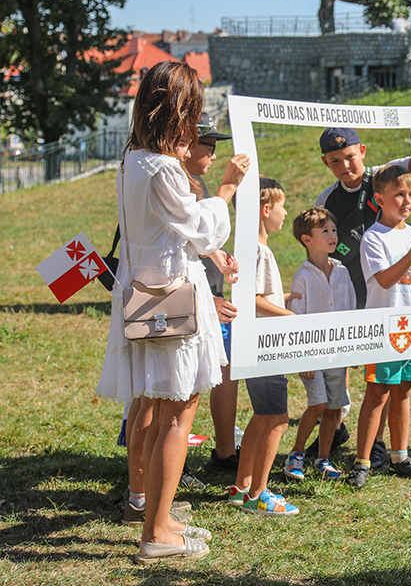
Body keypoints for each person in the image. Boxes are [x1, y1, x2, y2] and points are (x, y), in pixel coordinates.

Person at [96, 60, 244, 563]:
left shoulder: (133, 159)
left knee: (162, 411)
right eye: (192, 110)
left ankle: (158, 517)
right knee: (177, 414)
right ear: (179, 110)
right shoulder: (161, 168)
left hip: (146, 295)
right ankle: (157, 532)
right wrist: (224, 189)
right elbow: (201, 232)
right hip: (171, 299)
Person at [312, 113, 411, 466]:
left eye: (350, 157)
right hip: (355, 284)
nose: (345, 165)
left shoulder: (385, 174)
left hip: (393, 292)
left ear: (363, 152)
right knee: (347, 364)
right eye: (336, 161)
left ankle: (379, 445)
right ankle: (337, 427)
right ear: (327, 164)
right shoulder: (327, 197)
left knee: (384, 375)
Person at [345, 165, 411, 488]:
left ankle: (400, 456)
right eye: (399, 194)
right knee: (377, 393)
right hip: (384, 328)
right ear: (380, 199)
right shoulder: (373, 238)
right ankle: (363, 462)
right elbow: (384, 280)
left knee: (404, 392)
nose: (407, 201)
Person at [226, 177, 299, 516]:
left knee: (262, 415)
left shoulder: (249, 249)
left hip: (255, 344)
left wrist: (283, 299)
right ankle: (259, 494)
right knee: (278, 418)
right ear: (265, 209)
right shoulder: (259, 250)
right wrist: (291, 317)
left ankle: (241, 487)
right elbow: (252, 301)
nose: (285, 213)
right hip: (264, 346)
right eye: (282, 206)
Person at [182, 112, 248, 475]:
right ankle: (145, 471)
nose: (213, 153)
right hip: (186, 304)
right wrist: (228, 187)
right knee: (179, 389)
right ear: (185, 145)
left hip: (210, 297)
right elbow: (171, 253)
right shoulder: (175, 185)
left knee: (224, 371)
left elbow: (198, 239)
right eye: (208, 145)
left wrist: (217, 256)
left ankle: (224, 451)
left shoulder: (195, 184)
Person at [282, 207, 356, 481]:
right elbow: (298, 319)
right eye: (324, 230)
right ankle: (296, 454)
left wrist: (352, 349)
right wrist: (304, 359)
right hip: (312, 355)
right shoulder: (302, 276)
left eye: (334, 230)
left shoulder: (342, 271)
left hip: (338, 353)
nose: (332, 235)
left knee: (334, 406)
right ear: (307, 239)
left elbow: (350, 309)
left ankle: (323, 459)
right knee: (318, 404)